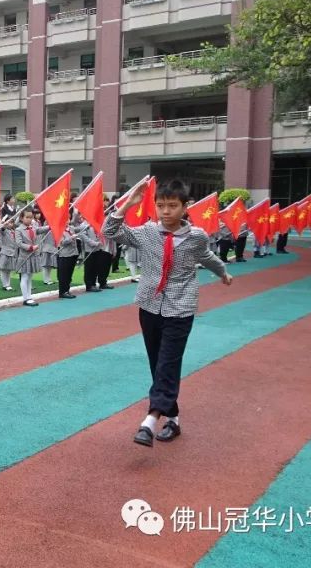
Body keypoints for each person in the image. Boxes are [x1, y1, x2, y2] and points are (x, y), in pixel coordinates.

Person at [103, 178, 232, 447]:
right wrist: (128, 204)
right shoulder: (148, 232)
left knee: (168, 362)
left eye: (172, 206)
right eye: (161, 205)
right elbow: (111, 231)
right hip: (150, 305)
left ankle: (150, 420)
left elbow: (206, 257)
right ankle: (172, 417)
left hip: (180, 307)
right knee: (157, 363)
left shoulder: (196, 236)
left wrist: (223, 272)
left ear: (185, 207)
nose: (165, 211)